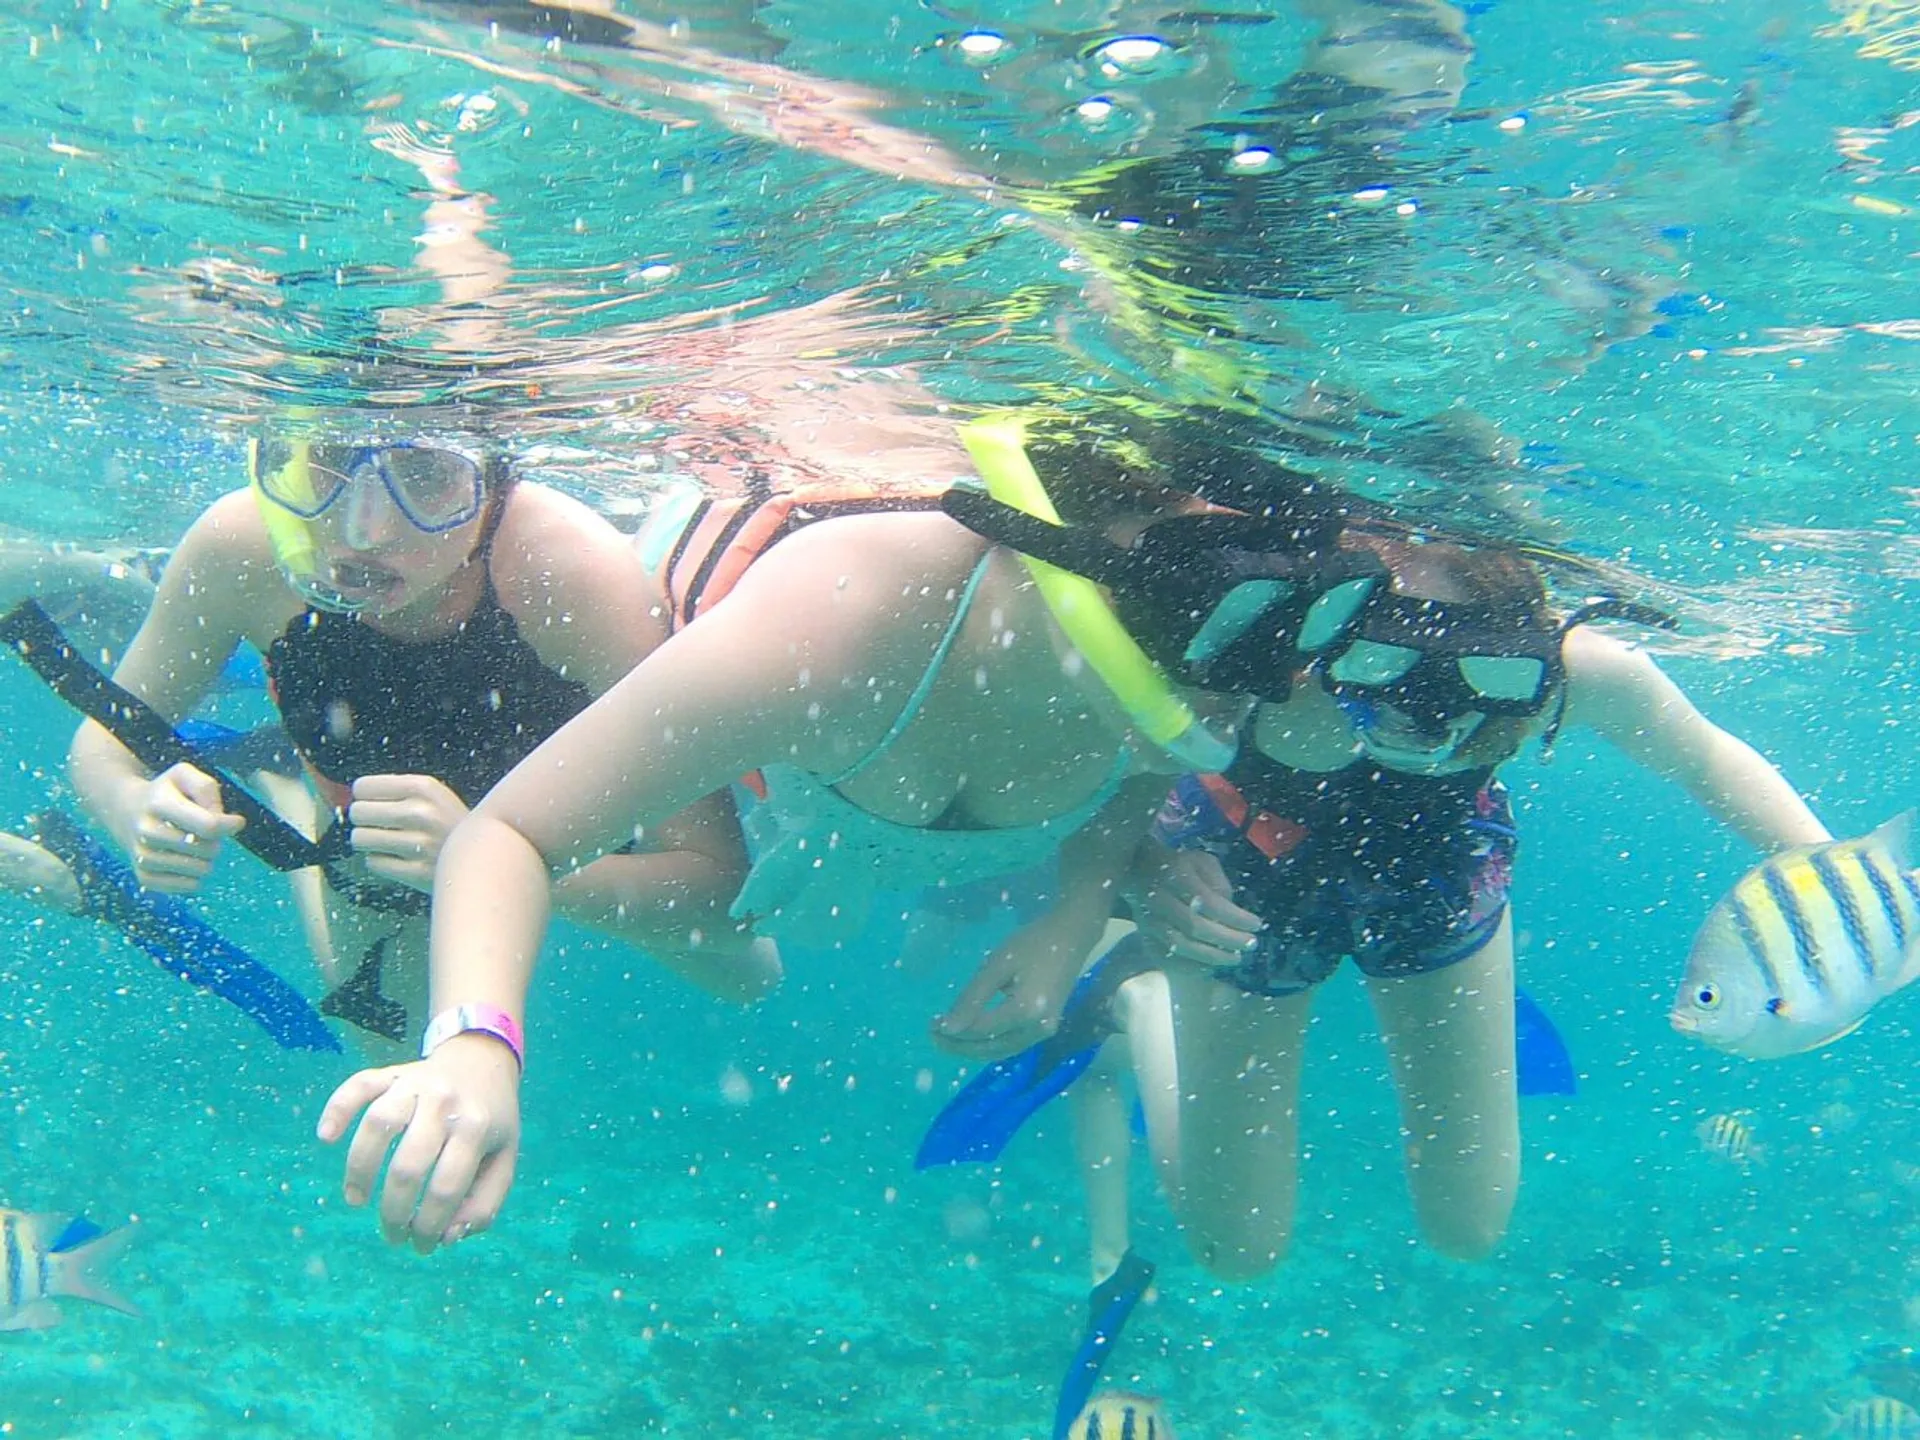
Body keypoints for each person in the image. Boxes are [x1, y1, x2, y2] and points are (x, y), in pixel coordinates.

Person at [312, 413, 1404, 1251]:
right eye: (1201, 636)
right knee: (794, 942)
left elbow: (1152, 758)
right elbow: (509, 832)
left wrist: (1074, 922)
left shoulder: (1195, 668)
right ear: (1057, 557)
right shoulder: (832, 623)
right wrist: (473, 1047)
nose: (1237, 711)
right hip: (817, 781)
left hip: (932, 807)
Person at [965, 521, 1832, 1283]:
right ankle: (1141, 1003)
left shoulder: (1566, 668)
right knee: (1238, 1253)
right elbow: (1126, 765)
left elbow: (1706, 758)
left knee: (1469, 1229)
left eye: (1465, 697)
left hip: (1441, 871)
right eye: (1389, 671)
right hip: (1240, 871)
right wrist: (1136, 880)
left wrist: (1837, 883)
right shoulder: (1276, 647)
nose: (1428, 727)